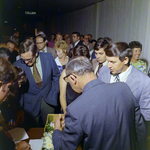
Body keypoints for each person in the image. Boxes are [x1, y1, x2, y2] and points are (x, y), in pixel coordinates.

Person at [53, 56, 146, 150]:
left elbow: (63, 148)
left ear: (73, 78)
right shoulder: (123, 88)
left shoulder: (74, 110)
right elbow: (140, 129)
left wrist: (57, 130)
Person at [98, 42, 150, 122]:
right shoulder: (103, 71)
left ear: (125, 60)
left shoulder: (144, 82)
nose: (108, 66)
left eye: (113, 62)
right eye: (108, 61)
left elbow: (145, 115)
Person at [14, 39, 60, 128]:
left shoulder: (48, 57)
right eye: (23, 60)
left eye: (28, 59)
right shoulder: (17, 65)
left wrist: (55, 92)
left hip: (49, 102)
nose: (26, 62)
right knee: (33, 133)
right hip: (30, 106)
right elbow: (17, 91)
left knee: (50, 131)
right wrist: (20, 109)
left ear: (35, 53)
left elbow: (56, 76)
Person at [59, 45, 90, 114]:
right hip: (70, 108)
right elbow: (62, 96)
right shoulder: (65, 72)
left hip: (85, 109)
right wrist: (65, 113)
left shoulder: (89, 72)